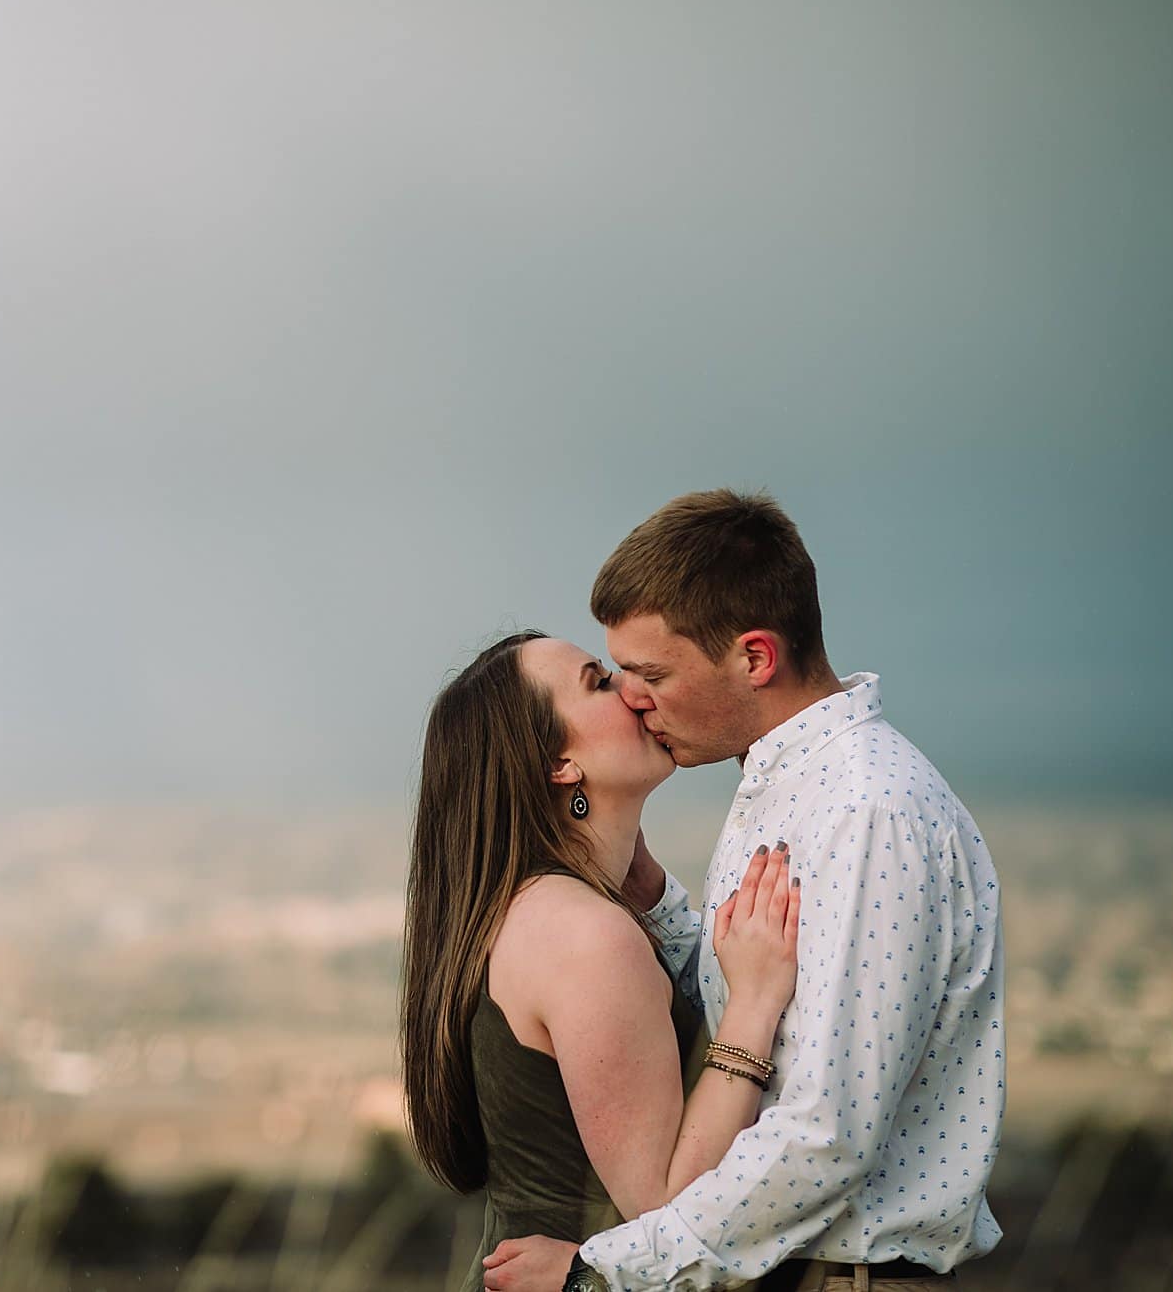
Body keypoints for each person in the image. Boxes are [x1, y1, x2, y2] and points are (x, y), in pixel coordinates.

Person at [480, 491, 1005, 1292]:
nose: (632, 696)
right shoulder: (785, 786)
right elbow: (765, 1005)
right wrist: (659, 904)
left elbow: (826, 1133)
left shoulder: (867, 811)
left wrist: (602, 1273)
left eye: (651, 672)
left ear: (755, 657)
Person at [402, 628, 804, 1292]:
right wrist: (755, 1007)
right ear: (559, 763)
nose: (635, 690)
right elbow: (668, 1204)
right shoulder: (583, 933)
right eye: (599, 680)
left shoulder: (547, 910)